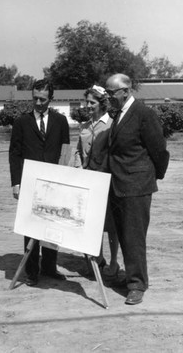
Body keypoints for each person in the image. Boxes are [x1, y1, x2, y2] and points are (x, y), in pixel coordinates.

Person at [105, 73, 169, 305]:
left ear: (126, 91)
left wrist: (150, 178)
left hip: (137, 186)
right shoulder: (119, 114)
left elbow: (159, 151)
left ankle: (137, 285)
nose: (108, 97)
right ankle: (132, 277)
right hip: (119, 184)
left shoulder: (143, 114)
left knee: (134, 236)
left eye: (111, 93)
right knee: (124, 234)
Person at [9, 79, 70, 286]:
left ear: (50, 99)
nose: (38, 102)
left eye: (42, 99)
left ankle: (50, 267)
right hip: (30, 182)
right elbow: (15, 154)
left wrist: (63, 179)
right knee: (32, 226)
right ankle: (32, 270)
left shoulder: (61, 121)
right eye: (35, 98)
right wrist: (16, 182)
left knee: (53, 224)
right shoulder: (21, 122)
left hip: (55, 183)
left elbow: (65, 150)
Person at [74, 85, 120, 277]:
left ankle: (114, 262)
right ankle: (98, 260)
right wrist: (78, 169)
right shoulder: (84, 126)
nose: (88, 105)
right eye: (87, 102)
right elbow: (77, 150)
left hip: (107, 182)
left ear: (102, 104)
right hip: (87, 181)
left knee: (111, 225)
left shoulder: (112, 125)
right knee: (93, 224)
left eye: (92, 102)